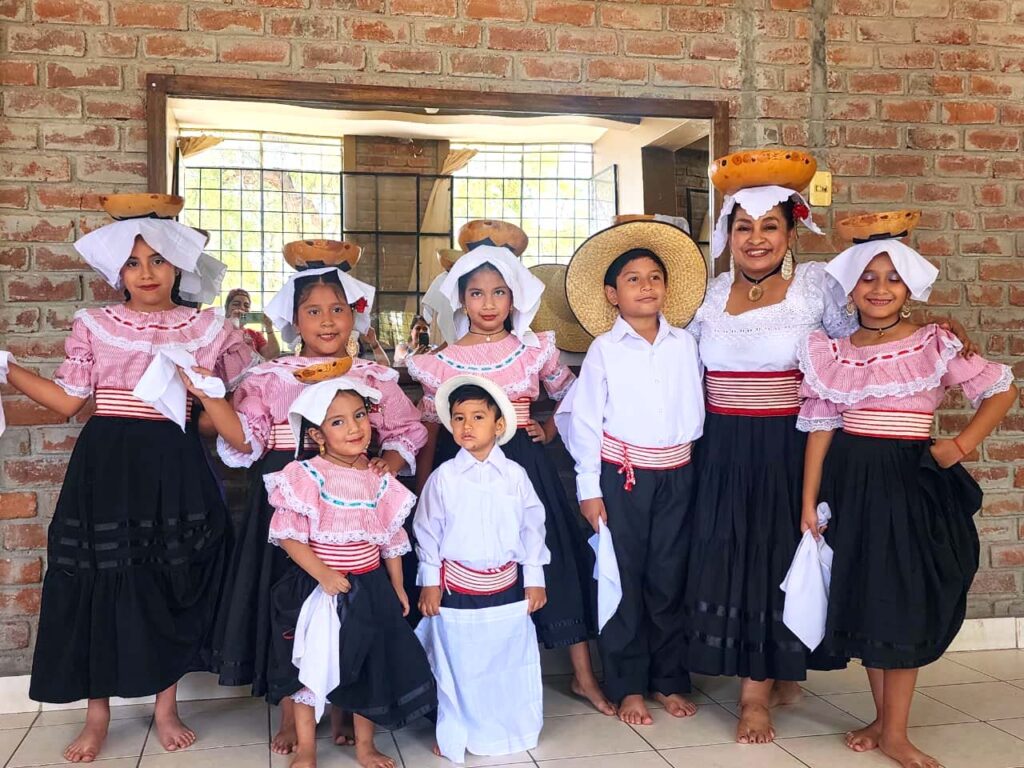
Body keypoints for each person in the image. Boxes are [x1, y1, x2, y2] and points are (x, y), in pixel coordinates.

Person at [0, 196, 259, 762]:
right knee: (100, 576)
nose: (146, 272)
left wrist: (208, 393)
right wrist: (8, 369)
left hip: (176, 461)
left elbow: (239, 417)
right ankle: (98, 716)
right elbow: (70, 403)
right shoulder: (94, 324)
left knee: (174, 572)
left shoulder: (210, 328)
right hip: (107, 464)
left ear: (179, 267)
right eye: (134, 262)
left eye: (159, 260)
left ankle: (166, 707)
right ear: (116, 271)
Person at [798, 212, 1017, 768]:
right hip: (853, 481)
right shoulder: (832, 351)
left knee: (904, 596)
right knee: (872, 596)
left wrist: (959, 445)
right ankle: (880, 719)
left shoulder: (933, 343)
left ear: (910, 286)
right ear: (850, 286)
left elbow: (998, 391)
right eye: (867, 277)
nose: (879, 289)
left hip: (907, 481)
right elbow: (821, 426)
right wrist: (808, 499)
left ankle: (896, 731)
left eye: (892, 278)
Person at [210, 241, 426, 755]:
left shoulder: (373, 377)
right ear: (294, 319)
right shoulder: (269, 377)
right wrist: (209, 398)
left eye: (337, 310)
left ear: (354, 316)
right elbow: (247, 439)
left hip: (354, 501)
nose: (326, 321)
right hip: (293, 501)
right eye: (313, 311)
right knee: (292, 609)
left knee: (356, 606)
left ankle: (349, 705)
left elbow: (408, 430)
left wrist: (386, 463)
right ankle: (291, 711)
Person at [406, 229, 611, 717]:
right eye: (476, 293)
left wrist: (548, 430)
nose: (489, 303)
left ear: (514, 296)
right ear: (461, 299)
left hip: (525, 461)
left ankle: (583, 677)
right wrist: (421, 487)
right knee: (465, 564)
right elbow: (433, 426)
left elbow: (572, 397)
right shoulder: (440, 363)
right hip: (461, 470)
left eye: (499, 292)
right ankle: (456, 686)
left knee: (550, 559)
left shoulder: (534, 348)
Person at [557, 220, 707, 726]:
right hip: (624, 481)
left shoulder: (687, 344)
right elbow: (582, 424)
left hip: (679, 477)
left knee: (669, 580)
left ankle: (670, 679)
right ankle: (628, 685)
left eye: (655, 277)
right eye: (633, 279)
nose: (646, 287)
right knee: (622, 580)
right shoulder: (605, 350)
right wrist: (588, 489)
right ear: (611, 293)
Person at [264, 377, 435, 768]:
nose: (355, 427)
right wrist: (323, 574)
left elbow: (391, 537)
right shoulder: (305, 476)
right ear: (317, 435)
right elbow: (289, 537)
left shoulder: (377, 477)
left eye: (359, 416)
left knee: (368, 664)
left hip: (369, 585)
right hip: (319, 586)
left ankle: (364, 745)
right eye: (338, 422)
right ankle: (308, 748)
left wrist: (396, 585)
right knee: (312, 668)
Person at [414, 375, 549, 763]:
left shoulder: (515, 476)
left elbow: (532, 529)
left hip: (507, 584)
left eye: (477, 417)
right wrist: (430, 582)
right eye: (458, 418)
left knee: (506, 661)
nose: (466, 426)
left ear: (499, 425)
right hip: (457, 587)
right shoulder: (444, 479)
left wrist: (534, 579)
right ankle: (456, 725)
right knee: (459, 663)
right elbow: (428, 532)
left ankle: (508, 726)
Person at [225, 287, 281, 360]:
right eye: (236, 304)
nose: (242, 308)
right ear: (227, 308)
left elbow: (271, 355)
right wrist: (232, 324)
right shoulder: (216, 331)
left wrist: (269, 328)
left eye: (246, 306)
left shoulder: (255, 335)